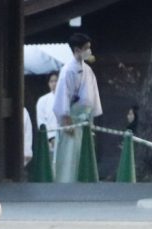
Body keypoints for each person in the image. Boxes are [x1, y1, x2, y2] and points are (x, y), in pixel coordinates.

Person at [52, 33, 102, 183]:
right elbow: (62, 97)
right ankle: (67, 184)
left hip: (85, 120)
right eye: (86, 48)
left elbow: (92, 96)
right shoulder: (67, 70)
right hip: (72, 120)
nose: (89, 51)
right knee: (69, 156)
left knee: (84, 155)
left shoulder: (88, 70)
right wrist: (66, 120)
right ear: (77, 50)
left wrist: (91, 119)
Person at [36, 72, 59, 150]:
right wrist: (50, 138)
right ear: (48, 84)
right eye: (51, 81)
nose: (54, 84)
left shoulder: (67, 98)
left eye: (56, 81)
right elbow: (41, 122)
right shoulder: (43, 100)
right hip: (50, 140)